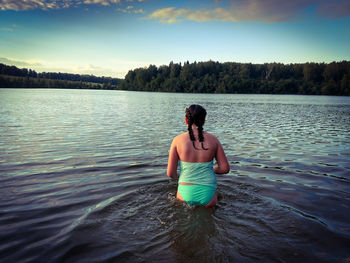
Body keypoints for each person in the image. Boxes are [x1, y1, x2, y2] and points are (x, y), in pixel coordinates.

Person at [167, 104, 230, 207]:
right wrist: (211, 168)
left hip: (185, 191)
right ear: (204, 121)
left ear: (186, 120)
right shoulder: (214, 140)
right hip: (208, 193)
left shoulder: (177, 140)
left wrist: (180, 176)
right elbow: (225, 168)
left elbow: (170, 173)